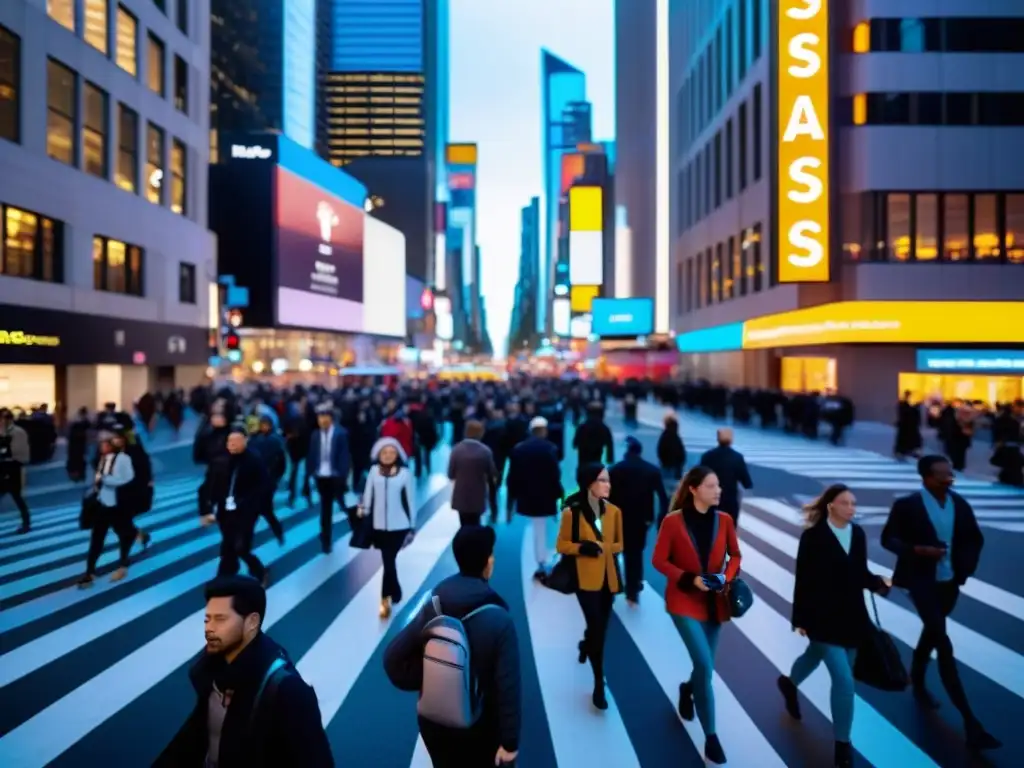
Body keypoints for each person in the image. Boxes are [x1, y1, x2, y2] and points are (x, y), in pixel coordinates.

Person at [881, 456, 999, 752]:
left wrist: (965, 568)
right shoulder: (907, 505)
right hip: (919, 581)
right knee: (942, 642)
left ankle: (917, 680)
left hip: (949, 582)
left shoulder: (959, 504)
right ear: (926, 478)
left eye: (950, 474)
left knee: (932, 632)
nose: (949, 479)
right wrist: (917, 550)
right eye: (942, 475)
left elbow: (973, 538)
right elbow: (888, 539)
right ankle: (971, 723)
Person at [155, 575, 334, 767]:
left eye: (220, 620)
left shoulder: (287, 691)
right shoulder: (214, 668)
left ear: (251, 622)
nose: (209, 629)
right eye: (208, 619)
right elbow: (195, 735)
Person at [383, 525, 520, 768]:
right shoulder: (499, 619)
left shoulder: (435, 603)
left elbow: (393, 660)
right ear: (487, 562)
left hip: (433, 722)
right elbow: (508, 688)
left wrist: (432, 676)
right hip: (477, 724)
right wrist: (509, 743)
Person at [778, 484, 892, 768]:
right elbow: (802, 579)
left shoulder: (858, 534)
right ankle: (843, 744)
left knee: (814, 657)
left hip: (853, 617)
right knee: (843, 680)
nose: (851, 508)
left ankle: (789, 685)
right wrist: (800, 619)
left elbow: (858, 572)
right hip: (821, 617)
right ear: (831, 505)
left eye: (854, 504)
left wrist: (877, 583)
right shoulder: (813, 537)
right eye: (845, 503)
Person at [651, 466, 741, 765]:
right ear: (694, 489)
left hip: (715, 603)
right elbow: (659, 560)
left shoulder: (725, 520)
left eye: (719, 486)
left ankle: (688, 689)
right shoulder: (673, 522)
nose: (719, 491)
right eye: (712, 486)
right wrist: (689, 578)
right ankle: (711, 736)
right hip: (683, 600)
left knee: (705, 669)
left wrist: (725, 578)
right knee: (703, 663)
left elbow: (735, 555)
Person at [555, 463, 624, 711]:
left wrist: (603, 547)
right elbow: (562, 545)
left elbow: (619, 545)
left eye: (608, 480)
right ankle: (598, 682)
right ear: (589, 484)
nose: (608, 485)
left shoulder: (615, 512)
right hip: (585, 581)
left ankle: (586, 645)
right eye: (602, 480)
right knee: (597, 628)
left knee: (599, 629)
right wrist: (582, 547)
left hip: (610, 579)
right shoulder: (571, 513)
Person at [202, 426, 272, 587]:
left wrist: (251, 504)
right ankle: (225, 576)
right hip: (225, 511)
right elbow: (212, 485)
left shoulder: (254, 460)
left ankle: (260, 572)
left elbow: (263, 486)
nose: (232, 444)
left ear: (245, 441)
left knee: (241, 547)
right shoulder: (221, 460)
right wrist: (209, 507)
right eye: (230, 441)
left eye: (236, 441)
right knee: (227, 545)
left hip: (246, 512)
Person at [77, 430, 144, 587]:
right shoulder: (103, 459)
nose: (101, 447)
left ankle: (123, 562)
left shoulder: (124, 459)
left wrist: (107, 480)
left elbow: (128, 478)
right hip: (103, 505)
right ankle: (89, 572)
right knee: (97, 538)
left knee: (124, 533)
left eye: (105, 444)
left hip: (118, 505)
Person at [359, 437, 416, 619]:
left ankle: (386, 598)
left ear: (398, 454)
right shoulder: (374, 472)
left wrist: (412, 526)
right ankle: (395, 591)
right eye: (384, 453)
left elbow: (411, 500)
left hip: (399, 526)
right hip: (378, 526)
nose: (388, 455)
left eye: (392, 452)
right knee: (388, 560)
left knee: (389, 560)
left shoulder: (405, 474)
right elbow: (368, 494)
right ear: (379, 455)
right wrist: (364, 512)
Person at [608, 436, 668, 604]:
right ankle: (633, 589)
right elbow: (663, 498)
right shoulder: (651, 470)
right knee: (634, 553)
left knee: (614, 550)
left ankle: (614, 584)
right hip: (642, 519)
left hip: (618, 517)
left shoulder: (615, 470)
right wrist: (659, 519)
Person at [506, 416, 563, 579]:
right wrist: (557, 494)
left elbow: (513, 475)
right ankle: (541, 562)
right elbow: (555, 475)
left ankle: (533, 561)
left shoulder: (518, 449)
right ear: (544, 430)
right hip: (544, 495)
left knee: (531, 527)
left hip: (525, 495)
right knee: (541, 528)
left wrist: (512, 499)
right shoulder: (550, 448)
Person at [306, 403, 351, 554]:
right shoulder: (315, 435)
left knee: (342, 503)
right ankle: (326, 538)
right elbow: (312, 455)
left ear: (331, 418)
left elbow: (344, 456)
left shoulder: (340, 433)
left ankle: (356, 525)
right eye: (320, 417)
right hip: (321, 476)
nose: (322, 420)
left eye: (325, 417)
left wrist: (342, 475)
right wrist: (309, 474)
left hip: (335, 476)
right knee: (326, 508)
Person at [447, 420, 497, 527]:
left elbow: (450, 474)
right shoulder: (485, 451)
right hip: (478, 495)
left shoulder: (456, 450)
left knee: (463, 524)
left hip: (461, 495)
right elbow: (492, 473)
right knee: (475, 523)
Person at [698, 428, 753, 524]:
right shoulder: (737, 457)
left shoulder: (707, 456)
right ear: (731, 440)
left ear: (718, 439)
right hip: (729, 501)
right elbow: (746, 482)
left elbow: (699, 477)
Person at [0, 408, 32, 534]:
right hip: (2, 469)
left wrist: (7, 453)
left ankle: (26, 523)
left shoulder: (18, 432)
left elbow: (22, 454)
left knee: (17, 497)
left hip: (13, 469)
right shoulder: (2, 432)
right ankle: (26, 522)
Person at [656, 412, 686, 481]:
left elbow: (660, 451)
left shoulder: (665, 437)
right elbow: (681, 453)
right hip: (673, 467)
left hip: (668, 466)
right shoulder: (676, 438)